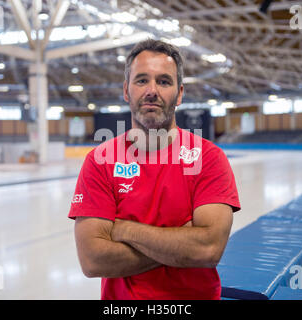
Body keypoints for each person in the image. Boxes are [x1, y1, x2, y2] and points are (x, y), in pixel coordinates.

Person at [68, 39, 240, 300]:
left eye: (163, 81)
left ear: (179, 93)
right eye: (141, 80)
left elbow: (207, 250)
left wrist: (125, 230)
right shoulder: (100, 161)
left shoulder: (208, 158)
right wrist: (182, 241)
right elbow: (93, 260)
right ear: (126, 91)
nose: (152, 90)